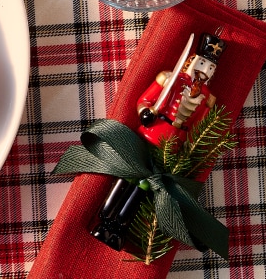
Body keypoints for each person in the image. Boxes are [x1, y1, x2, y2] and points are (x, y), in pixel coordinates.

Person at [89, 31, 226, 251]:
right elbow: (145, 100)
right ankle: (105, 219)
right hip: (151, 134)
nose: (204, 71)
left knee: (144, 187)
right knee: (129, 178)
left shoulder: (207, 98)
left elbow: (197, 127)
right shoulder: (170, 78)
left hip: (171, 146)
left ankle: (120, 226)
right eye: (202, 63)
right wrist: (145, 112)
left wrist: (187, 147)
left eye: (210, 68)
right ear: (191, 61)